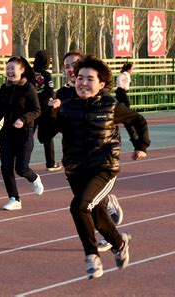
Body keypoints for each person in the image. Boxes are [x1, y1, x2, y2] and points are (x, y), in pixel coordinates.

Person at [55, 55, 150, 279]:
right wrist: (50, 113)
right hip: (75, 169)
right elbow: (46, 134)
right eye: (79, 78)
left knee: (79, 207)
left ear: (101, 84)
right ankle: (119, 242)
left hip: (103, 168)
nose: (83, 83)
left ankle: (92, 257)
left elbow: (137, 119)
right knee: (96, 214)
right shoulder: (66, 105)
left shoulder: (110, 105)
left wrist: (141, 145)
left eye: (90, 79)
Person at [56, 51, 124, 252]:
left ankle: (102, 241)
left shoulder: (99, 92)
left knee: (85, 205)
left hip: (101, 157)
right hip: (77, 160)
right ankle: (115, 240)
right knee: (87, 206)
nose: (70, 69)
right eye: (67, 66)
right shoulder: (63, 95)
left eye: (74, 64)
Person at [0, 56, 44, 211]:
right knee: (6, 167)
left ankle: (34, 178)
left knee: (21, 168)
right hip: (7, 132)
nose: (9, 71)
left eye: (13, 68)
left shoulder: (29, 88)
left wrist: (23, 119)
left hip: (25, 133)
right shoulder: (4, 88)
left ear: (22, 70)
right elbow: (0, 108)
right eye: (8, 68)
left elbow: (37, 110)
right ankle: (14, 198)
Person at [32, 50, 61, 171]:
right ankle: (50, 164)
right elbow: (50, 92)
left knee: (26, 136)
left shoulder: (29, 73)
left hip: (31, 108)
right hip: (44, 109)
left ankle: (19, 161)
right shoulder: (46, 75)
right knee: (47, 137)